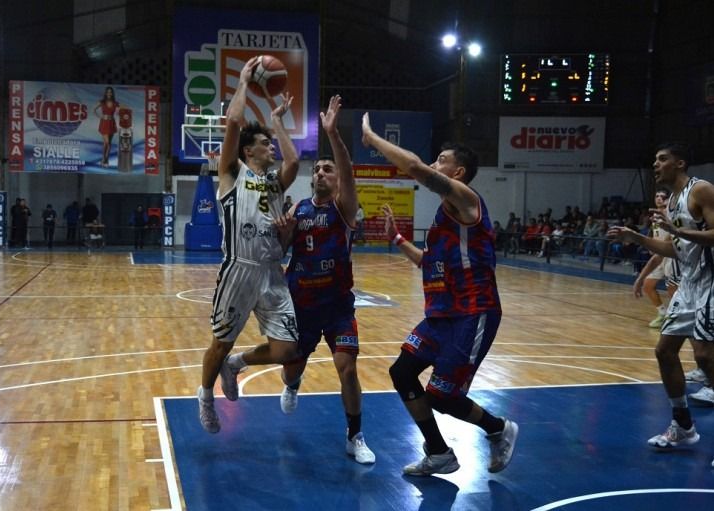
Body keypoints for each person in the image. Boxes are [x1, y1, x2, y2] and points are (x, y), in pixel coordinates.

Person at [361, 113, 518, 476]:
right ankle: (438, 452)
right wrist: (398, 240)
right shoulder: (444, 216)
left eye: (442, 161)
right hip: (442, 314)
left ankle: (498, 428)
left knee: (443, 396)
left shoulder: (465, 200)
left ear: (458, 172)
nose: (434, 165)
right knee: (402, 372)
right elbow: (428, 262)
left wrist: (371, 138)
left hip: (473, 312)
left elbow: (415, 166)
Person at [197, 57, 300, 434]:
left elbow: (294, 159)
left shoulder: (275, 183)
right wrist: (242, 80)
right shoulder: (231, 175)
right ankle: (206, 396)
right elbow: (236, 123)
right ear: (247, 152)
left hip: (272, 273)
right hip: (238, 269)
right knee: (218, 343)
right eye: (264, 144)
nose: (271, 148)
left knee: (288, 350)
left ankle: (238, 364)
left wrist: (277, 122)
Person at [273, 96, 375, 464]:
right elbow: (283, 251)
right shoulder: (297, 210)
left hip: (337, 306)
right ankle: (294, 382)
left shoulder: (344, 208)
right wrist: (281, 233)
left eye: (326, 170)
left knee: (347, 368)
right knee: (291, 370)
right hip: (300, 303)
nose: (320, 173)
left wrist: (334, 135)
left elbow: (348, 172)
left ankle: (355, 435)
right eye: (316, 169)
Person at [608, 142, 714, 467]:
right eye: (655, 159)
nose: (656, 164)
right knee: (664, 352)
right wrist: (636, 238)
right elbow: (673, 249)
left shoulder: (702, 190)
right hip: (690, 283)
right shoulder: (674, 201)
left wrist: (677, 230)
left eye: (662, 159)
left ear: (680, 163)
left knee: (704, 356)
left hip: (712, 281)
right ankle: (682, 425)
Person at [633, 189, 679, 328]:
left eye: (663, 197)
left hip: (670, 255)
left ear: (668, 200)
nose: (659, 198)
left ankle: (675, 317)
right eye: (657, 196)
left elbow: (669, 237)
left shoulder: (672, 214)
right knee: (648, 285)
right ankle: (662, 313)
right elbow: (657, 233)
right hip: (659, 254)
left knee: (673, 290)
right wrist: (652, 242)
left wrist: (657, 245)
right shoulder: (655, 214)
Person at [94, 86, 119, 167]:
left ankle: (106, 160)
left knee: (108, 143)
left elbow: (118, 112)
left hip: (111, 123)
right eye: (108, 92)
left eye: (110, 92)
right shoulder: (102, 102)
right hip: (104, 123)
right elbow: (94, 110)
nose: (109, 93)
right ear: (106, 93)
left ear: (112, 93)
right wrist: (100, 116)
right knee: (107, 142)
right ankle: (104, 159)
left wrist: (120, 113)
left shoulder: (115, 103)